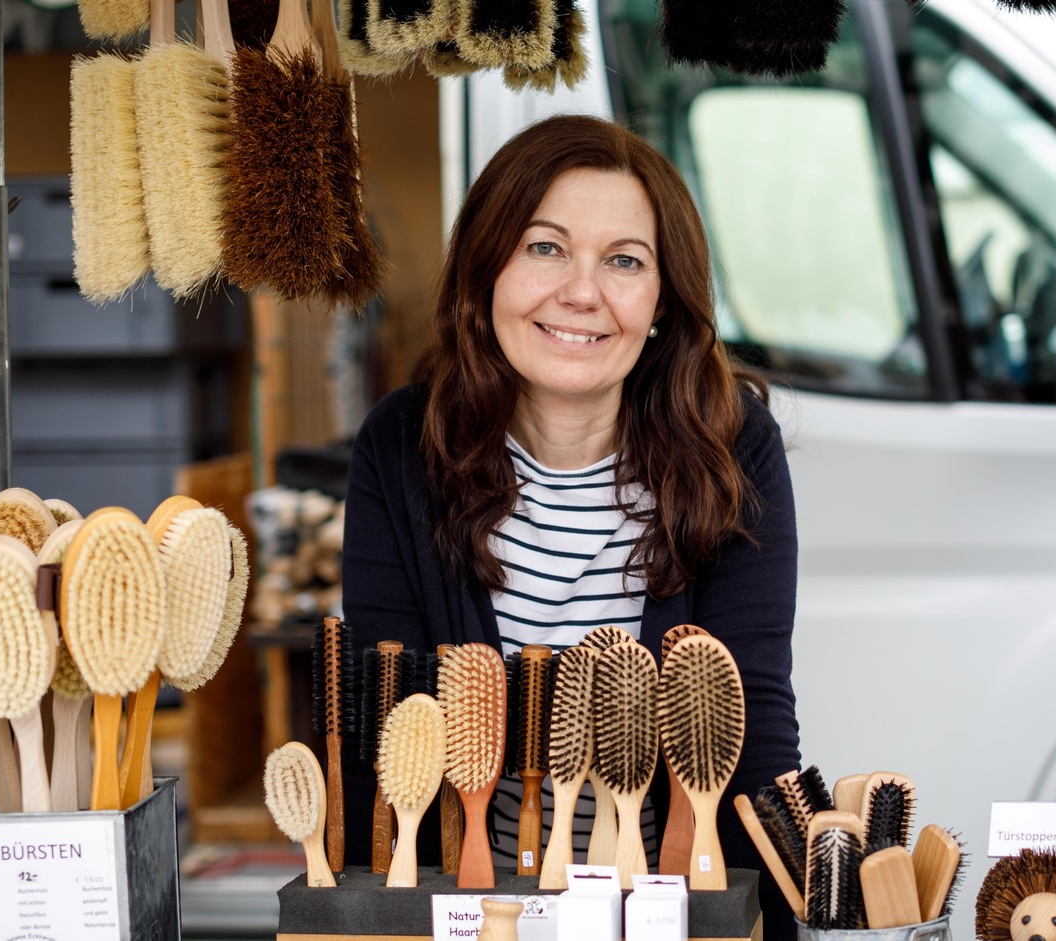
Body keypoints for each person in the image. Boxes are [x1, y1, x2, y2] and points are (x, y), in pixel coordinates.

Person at [341, 114, 801, 937]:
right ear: (487, 270)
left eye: (624, 261)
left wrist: (767, 921)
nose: (582, 293)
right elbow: (391, 737)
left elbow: (751, 724)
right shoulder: (402, 448)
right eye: (545, 247)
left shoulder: (731, 447)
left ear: (662, 302)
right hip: (470, 911)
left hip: (664, 912)